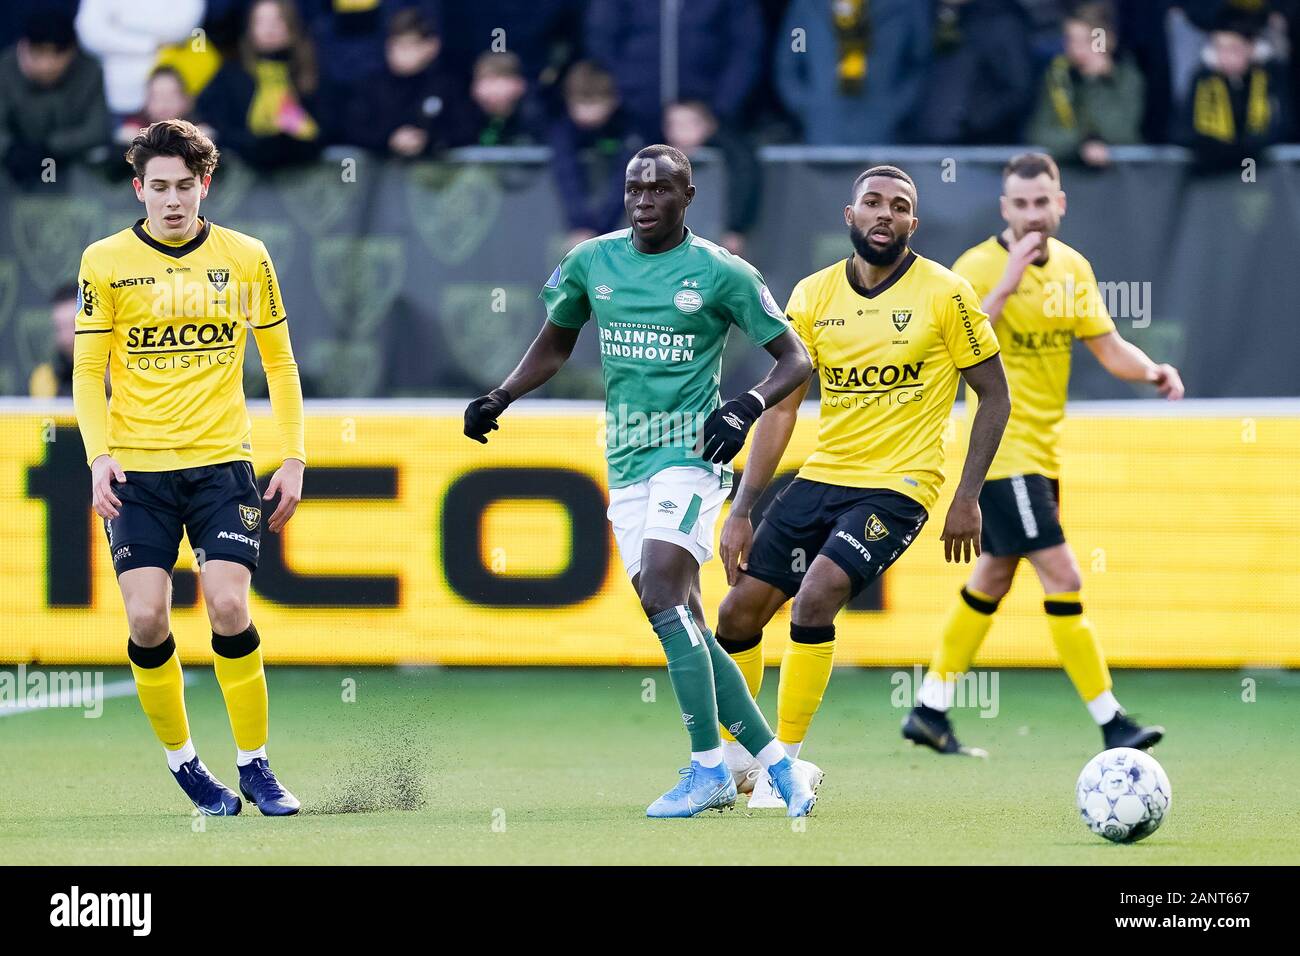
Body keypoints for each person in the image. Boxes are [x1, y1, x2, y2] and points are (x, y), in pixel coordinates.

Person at [463, 144, 818, 818]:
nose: (643, 202)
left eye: (659, 190)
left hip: (691, 456)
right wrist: (502, 394)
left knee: (662, 588)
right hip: (626, 462)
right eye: (633, 189)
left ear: (688, 197)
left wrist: (745, 406)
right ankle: (775, 763)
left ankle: (707, 768)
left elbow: (794, 358)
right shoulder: (593, 262)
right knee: (679, 616)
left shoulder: (721, 272)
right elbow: (557, 339)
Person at [712, 165, 1011, 807]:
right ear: (849, 216)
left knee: (816, 595)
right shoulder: (814, 295)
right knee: (737, 613)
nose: (885, 213)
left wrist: (966, 496)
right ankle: (736, 761)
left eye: (900, 206)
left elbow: (994, 395)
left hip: (901, 485)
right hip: (823, 474)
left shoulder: (947, 294)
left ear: (913, 224)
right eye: (872, 202)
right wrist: (743, 508)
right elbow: (785, 408)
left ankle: (785, 767)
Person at [903, 152, 1184, 756]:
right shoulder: (975, 268)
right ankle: (1113, 722)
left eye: (1042, 202)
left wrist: (1151, 371)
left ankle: (928, 708)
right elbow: (955, 345)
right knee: (1064, 574)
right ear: (1005, 209)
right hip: (1003, 452)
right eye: (1020, 204)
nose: (1032, 215)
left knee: (995, 574)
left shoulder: (1074, 269)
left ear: (1060, 204)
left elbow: (1107, 347)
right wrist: (1007, 281)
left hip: (1042, 452)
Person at [73, 119, 306, 816]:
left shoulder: (245, 258)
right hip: (138, 474)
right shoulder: (105, 261)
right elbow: (88, 372)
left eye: (186, 187)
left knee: (229, 604)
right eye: (159, 188)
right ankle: (186, 766)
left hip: (221, 465)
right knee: (147, 618)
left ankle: (256, 765)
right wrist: (98, 456)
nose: (173, 201)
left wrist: (293, 454)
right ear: (138, 188)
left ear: (205, 185)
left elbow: (280, 364)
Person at [196, 0, 323, 170]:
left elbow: (325, 129)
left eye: (278, 20)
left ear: (292, 26)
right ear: (250, 27)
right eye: (261, 21)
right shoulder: (233, 74)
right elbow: (212, 124)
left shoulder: (311, 73)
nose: (269, 29)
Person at [1025, 5, 1146, 168]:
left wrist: (1096, 82)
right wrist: (1080, 145)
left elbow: (1122, 133)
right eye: (1071, 40)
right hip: (1069, 177)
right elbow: (1040, 134)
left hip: (1120, 180)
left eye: (1088, 41)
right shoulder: (1058, 77)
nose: (1077, 49)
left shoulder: (1128, 78)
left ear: (1107, 40)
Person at [0, 10, 110, 184]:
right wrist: (11, 149)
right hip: (9, 168)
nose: (47, 64)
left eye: (56, 54)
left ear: (72, 51)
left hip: (74, 166)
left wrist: (50, 147)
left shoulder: (90, 72)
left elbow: (97, 130)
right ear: (23, 47)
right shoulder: (4, 69)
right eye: (39, 53)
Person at [549, 61, 643, 249]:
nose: (587, 112)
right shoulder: (563, 130)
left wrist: (600, 230)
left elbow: (625, 179)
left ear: (614, 100)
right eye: (581, 103)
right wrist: (580, 224)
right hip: (581, 226)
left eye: (595, 103)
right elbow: (567, 176)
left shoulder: (630, 126)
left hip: (616, 224)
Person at [1181, 20, 1288, 172]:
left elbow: (1282, 125)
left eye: (1234, 48)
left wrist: (1249, 149)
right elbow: (1185, 130)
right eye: (1220, 48)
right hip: (1213, 173)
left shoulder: (1271, 76)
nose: (1227, 56)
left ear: (1251, 48)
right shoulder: (1203, 79)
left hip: (1262, 170)